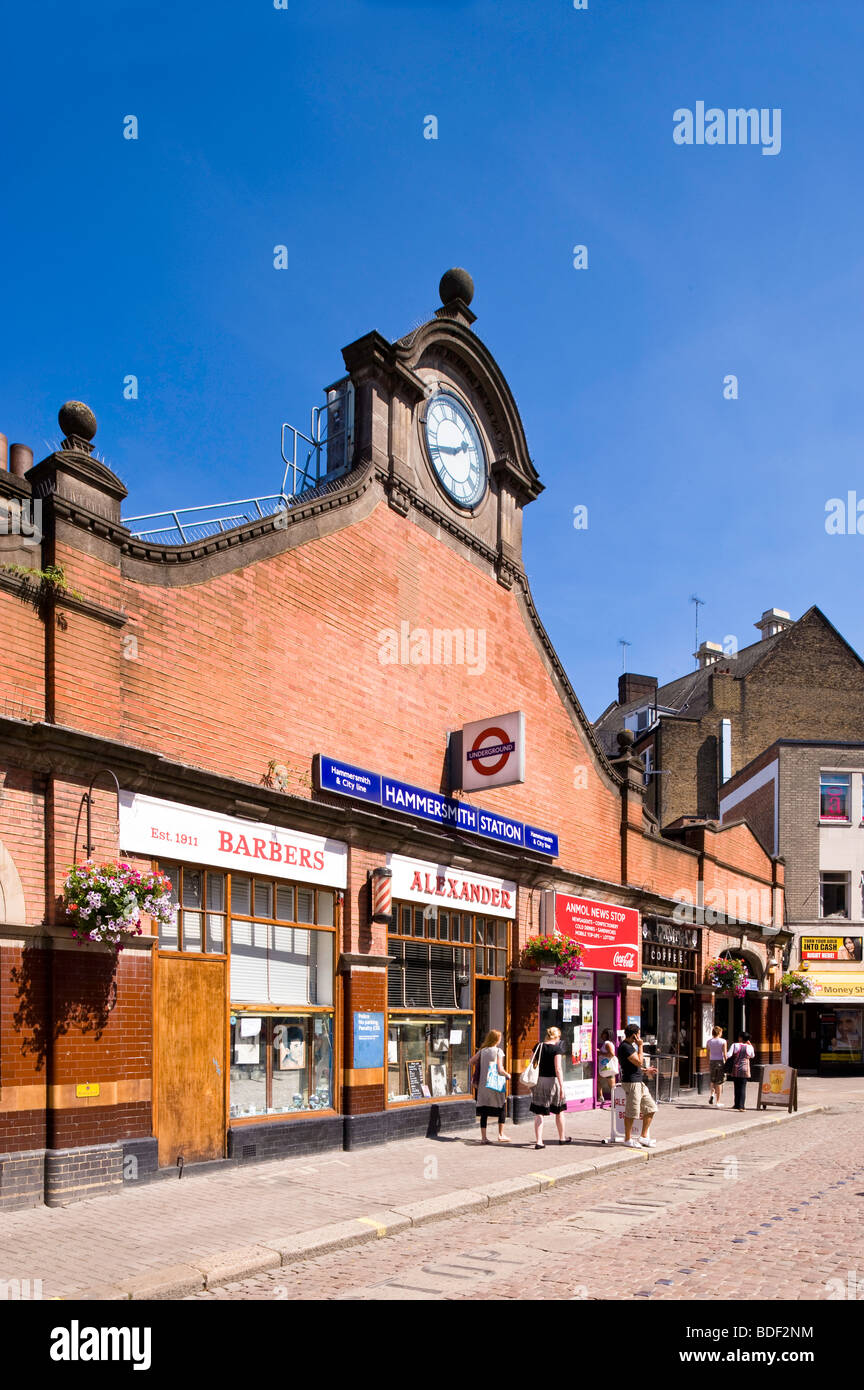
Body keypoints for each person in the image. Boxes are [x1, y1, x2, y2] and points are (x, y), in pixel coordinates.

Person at [616, 1023, 658, 1148]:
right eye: (639, 1034)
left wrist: (645, 1070)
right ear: (634, 1035)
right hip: (632, 1083)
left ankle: (643, 1137)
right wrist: (640, 1047)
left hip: (639, 1081)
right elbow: (638, 1061)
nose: (640, 1037)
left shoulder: (629, 1046)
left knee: (651, 1108)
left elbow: (635, 1065)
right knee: (632, 1112)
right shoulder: (625, 1047)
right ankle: (627, 1139)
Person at [530, 1026, 572, 1148]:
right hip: (553, 1082)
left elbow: (532, 1061)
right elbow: (558, 1069)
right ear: (556, 1037)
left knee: (539, 1113)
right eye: (559, 1037)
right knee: (559, 1111)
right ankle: (562, 1138)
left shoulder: (538, 1046)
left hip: (540, 1081)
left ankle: (538, 1142)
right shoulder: (556, 1049)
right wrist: (562, 1086)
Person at [470, 1029, 511, 1144]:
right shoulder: (498, 1051)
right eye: (500, 1038)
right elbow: (500, 1069)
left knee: (484, 1110)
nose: (500, 1040)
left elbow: (471, 1061)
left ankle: (484, 1138)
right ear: (496, 1039)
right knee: (502, 1106)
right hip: (495, 1084)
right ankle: (501, 1134)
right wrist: (507, 1074)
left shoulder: (482, 1051)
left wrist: (481, 1067)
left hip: (483, 1086)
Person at [727, 1031, 755, 1111]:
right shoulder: (750, 1047)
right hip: (745, 1069)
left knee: (736, 1086)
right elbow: (752, 1056)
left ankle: (736, 1104)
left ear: (741, 1038)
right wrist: (750, 1045)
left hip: (736, 1068)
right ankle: (741, 1106)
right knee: (743, 1087)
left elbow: (729, 1055)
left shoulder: (735, 1045)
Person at [706, 1026, 727, 1107]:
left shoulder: (709, 1042)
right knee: (719, 1082)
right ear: (719, 1033)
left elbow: (707, 1054)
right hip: (720, 1062)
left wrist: (708, 1062)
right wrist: (727, 1063)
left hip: (712, 1062)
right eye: (721, 1032)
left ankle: (712, 1095)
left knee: (712, 1080)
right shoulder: (723, 1041)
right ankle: (718, 1101)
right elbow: (724, 1054)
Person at [597, 1029, 618, 1107]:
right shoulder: (610, 1043)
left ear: (606, 1034)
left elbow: (611, 1054)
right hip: (608, 1067)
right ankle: (614, 1101)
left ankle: (601, 1097)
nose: (601, 1034)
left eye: (603, 1033)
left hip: (607, 1067)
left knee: (599, 1081)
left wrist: (600, 1052)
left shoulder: (607, 1043)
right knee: (611, 1086)